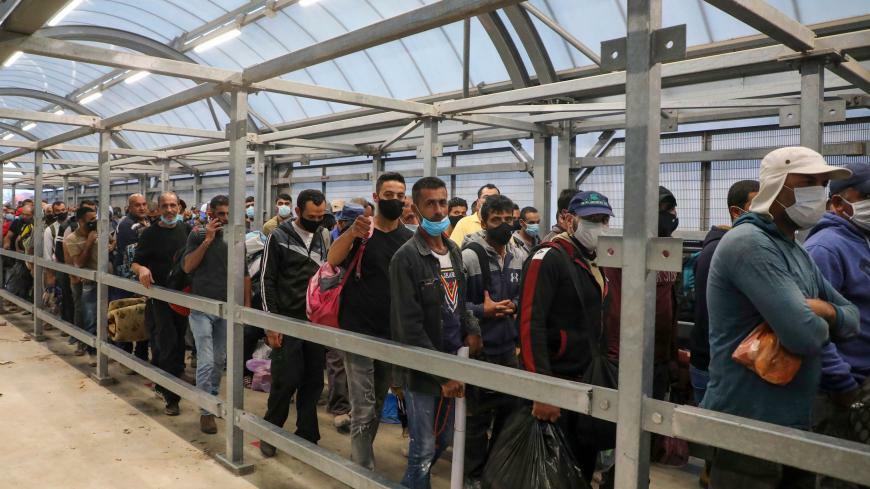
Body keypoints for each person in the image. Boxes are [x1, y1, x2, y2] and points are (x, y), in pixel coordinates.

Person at [702, 147, 859, 488]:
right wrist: (821, 319)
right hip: (749, 427)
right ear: (777, 185)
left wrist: (825, 311)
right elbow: (804, 336)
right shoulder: (749, 244)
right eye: (808, 182)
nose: (819, 192)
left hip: (793, 423)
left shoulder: (796, 249)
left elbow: (852, 318)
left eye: (822, 184)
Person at [390, 176, 481, 489]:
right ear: (416, 209)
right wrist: (442, 375)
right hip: (422, 369)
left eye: (442, 202)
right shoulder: (406, 258)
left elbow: (461, 302)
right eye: (430, 203)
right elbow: (408, 326)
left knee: (443, 438)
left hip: (454, 360)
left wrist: (472, 329)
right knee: (424, 448)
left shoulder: (453, 250)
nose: (439, 210)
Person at [518, 190, 613, 483]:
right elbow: (530, 324)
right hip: (557, 380)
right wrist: (542, 389)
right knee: (553, 471)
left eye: (604, 219)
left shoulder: (594, 260)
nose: (599, 226)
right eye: (591, 219)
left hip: (586, 379)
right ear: (570, 220)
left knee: (580, 466)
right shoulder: (547, 258)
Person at [326, 172, 414, 470]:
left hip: (391, 333)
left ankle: (361, 459)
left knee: (375, 402)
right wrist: (352, 233)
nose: (395, 200)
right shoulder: (363, 232)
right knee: (363, 407)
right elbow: (333, 259)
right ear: (376, 197)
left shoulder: (409, 238)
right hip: (358, 330)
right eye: (388, 195)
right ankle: (363, 470)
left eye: (400, 195)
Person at [805, 163, 870, 489]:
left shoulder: (861, 241)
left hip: (861, 384)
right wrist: (843, 385)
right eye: (867, 196)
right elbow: (811, 325)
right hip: (838, 391)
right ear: (837, 203)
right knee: (837, 476)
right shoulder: (826, 248)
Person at [259, 189, 331, 457]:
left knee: (313, 381)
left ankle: (307, 434)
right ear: (298, 212)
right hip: (287, 320)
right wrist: (271, 322)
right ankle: (271, 432)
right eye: (312, 216)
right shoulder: (278, 237)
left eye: (321, 216)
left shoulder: (323, 236)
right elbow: (266, 280)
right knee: (285, 380)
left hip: (314, 322)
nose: (317, 221)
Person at [460, 194, 523, 487]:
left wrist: (515, 305)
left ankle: (495, 473)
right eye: (496, 220)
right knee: (477, 419)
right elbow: (454, 305)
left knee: (509, 415)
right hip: (480, 350)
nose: (503, 225)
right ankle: (472, 476)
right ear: (483, 222)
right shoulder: (469, 256)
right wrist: (481, 311)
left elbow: (524, 295)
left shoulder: (519, 255)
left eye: (508, 219)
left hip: (509, 349)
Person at [604, 186, 680, 403]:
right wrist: (617, 357)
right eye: (664, 209)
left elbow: (671, 304)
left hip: (660, 357)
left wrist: (672, 356)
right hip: (629, 358)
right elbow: (614, 308)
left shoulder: (669, 251)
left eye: (672, 208)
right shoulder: (624, 252)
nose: (672, 214)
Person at [690, 180, 759, 405]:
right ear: (736, 212)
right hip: (717, 366)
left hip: (721, 363)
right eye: (756, 205)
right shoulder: (721, 251)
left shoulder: (724, 247)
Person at [131, 192, 191, 416]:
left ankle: (173, 376)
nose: (169, 210)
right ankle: (170, 396)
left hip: (182, 296)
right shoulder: (150, 234)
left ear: (179, 208)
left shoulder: (186, 230)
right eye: (165, 206)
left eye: (173, 205)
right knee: (167, 342)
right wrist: (142, 269)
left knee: (179, 340)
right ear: (158, 209)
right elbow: (135, 262)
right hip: (160, 296)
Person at [182, 195, 232, 435]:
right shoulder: (198, 234)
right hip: (201, 306)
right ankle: (205, 411)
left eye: (228, 214)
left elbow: (242, 271)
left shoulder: (235, 236)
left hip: (226, 306)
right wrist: (207, 241)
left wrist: (244, 305)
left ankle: (211, 398)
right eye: (220, 214)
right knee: (206, 359)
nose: (225, 218)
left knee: (220, 360)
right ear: (210, 213)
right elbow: (187, 266)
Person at [111, 193, 151, 365]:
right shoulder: (128, 225)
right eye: (137, 205)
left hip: (140, 277)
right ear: (129, 207)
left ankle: (140, 354)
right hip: (129, 279)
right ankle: (125, 356)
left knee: (142, 317)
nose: (142, 208)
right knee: (127, 317)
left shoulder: (144, 222)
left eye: (144, 204)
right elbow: (131, 255)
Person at [64, 206, 99, 360]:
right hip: (85, 282)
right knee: (86, 315)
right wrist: (89, 242)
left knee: (101, 316)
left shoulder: (98, 232)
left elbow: (111, 245)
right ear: (80, 221)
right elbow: (78, 263)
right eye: (91, 220)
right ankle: (87, 348)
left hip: (102, 280)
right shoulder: (72, 238)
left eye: (95, 219)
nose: (94, 222)